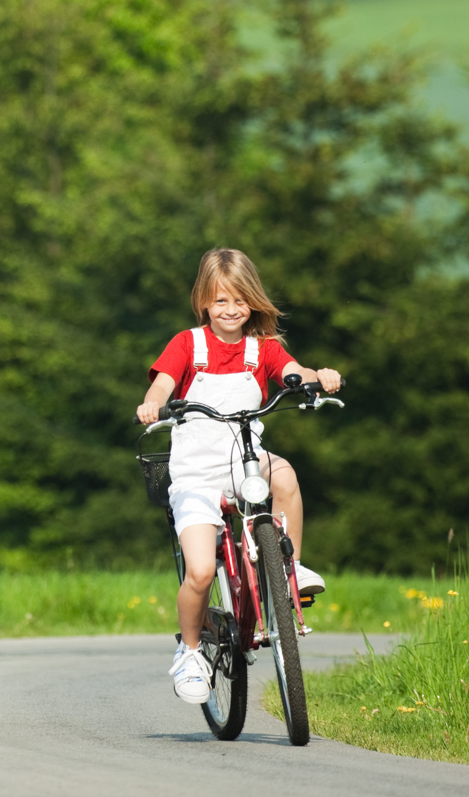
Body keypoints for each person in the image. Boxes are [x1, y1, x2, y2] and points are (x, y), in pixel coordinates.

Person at [133, 248, 341, 704]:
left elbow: (291, 371)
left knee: (283, 474)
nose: (230, 311)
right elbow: (164, 383)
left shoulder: (261, 349)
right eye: (220, 302)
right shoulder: (188, 344)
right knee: (201, 570)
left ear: (254, 302)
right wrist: (153, 403)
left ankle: (291, 566)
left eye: (240, 301)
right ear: (204, 302)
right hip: (195, 474)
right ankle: (189, 651)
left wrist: (313, 377)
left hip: (244, 460)